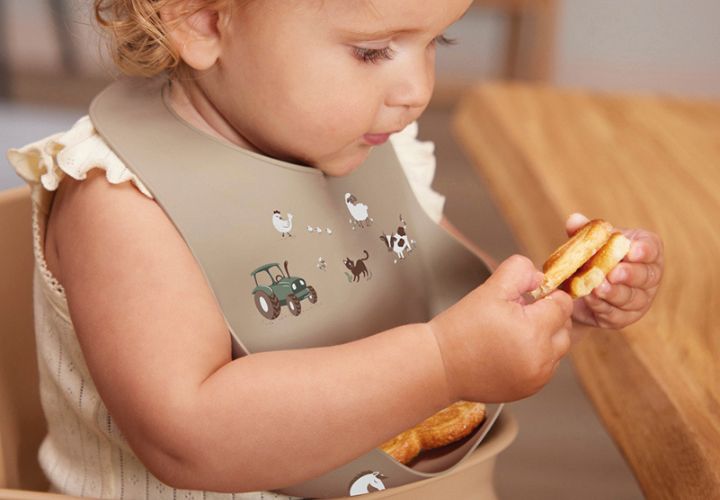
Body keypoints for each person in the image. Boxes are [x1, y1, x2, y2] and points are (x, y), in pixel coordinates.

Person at [6, 0, 664, 498]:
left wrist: (559, 309)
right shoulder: (122, 203)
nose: (417, 91)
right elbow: (188, 437)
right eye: (374, 51)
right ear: (204, 20)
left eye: (438, 41)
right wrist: (442, 360)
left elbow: (453, 300)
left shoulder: (363, 146)